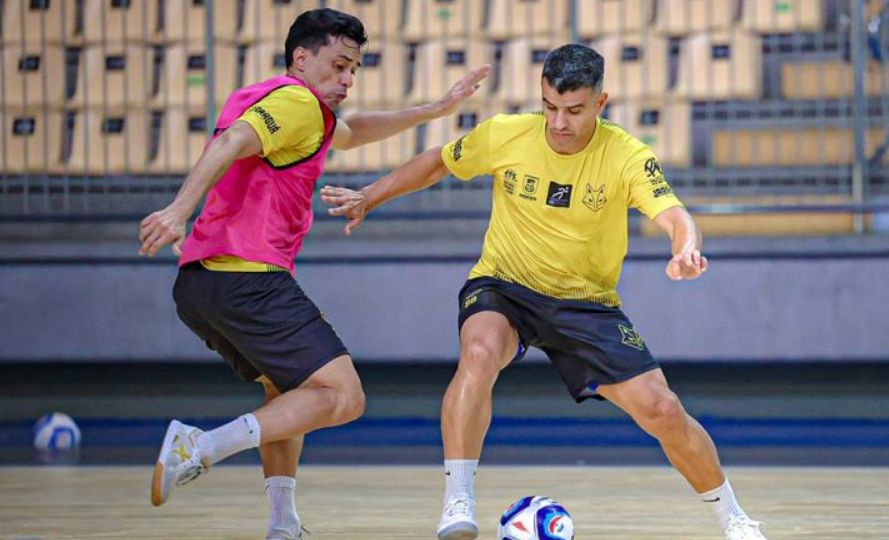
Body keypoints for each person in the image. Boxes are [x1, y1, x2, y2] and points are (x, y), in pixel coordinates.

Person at [321, 44, 768, 540]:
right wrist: (369, 196)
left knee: (662, 409)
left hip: (586, 303)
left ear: (600, 103)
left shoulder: (627, 155)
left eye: (573, 110)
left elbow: (675, 215)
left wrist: (685, 248)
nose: (558, 122)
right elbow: (438, 162)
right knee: (478, 353)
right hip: (504, 285)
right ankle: (457, 501)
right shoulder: (506, 133)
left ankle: (734, 518)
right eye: (550, 106)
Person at [137, 8, 488, 539]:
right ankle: (201, 447)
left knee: (288, 392)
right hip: (249, 278)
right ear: (301, 58)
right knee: (344, 397)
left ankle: (283, 524)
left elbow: (349, 133)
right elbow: (230, 144)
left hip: (201, 283)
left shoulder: (277, 102)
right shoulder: (296, 102)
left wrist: (435, 109)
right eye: (339, 65)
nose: (348, 79)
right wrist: (177, 210)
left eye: (354, 70)